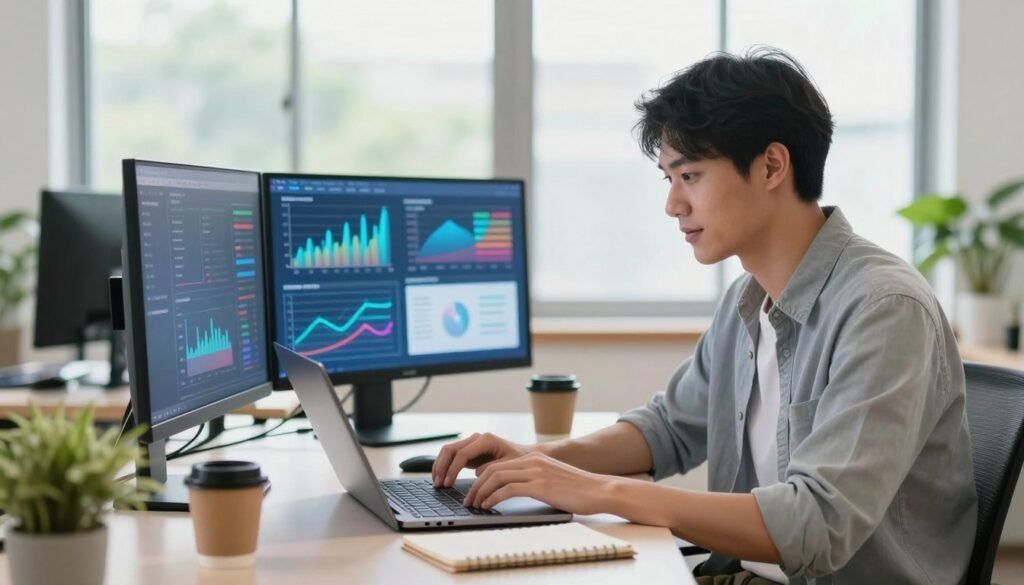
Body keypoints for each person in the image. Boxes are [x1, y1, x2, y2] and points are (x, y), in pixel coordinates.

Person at [431, 47, 977, 584]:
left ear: (771, 166)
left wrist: (593, 489)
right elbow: (669, 430)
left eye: (689, 175)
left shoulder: (883, 309)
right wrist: (535, 460)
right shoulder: (747, 298)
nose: (673, 204)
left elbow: (818, 524)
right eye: (669, 180)